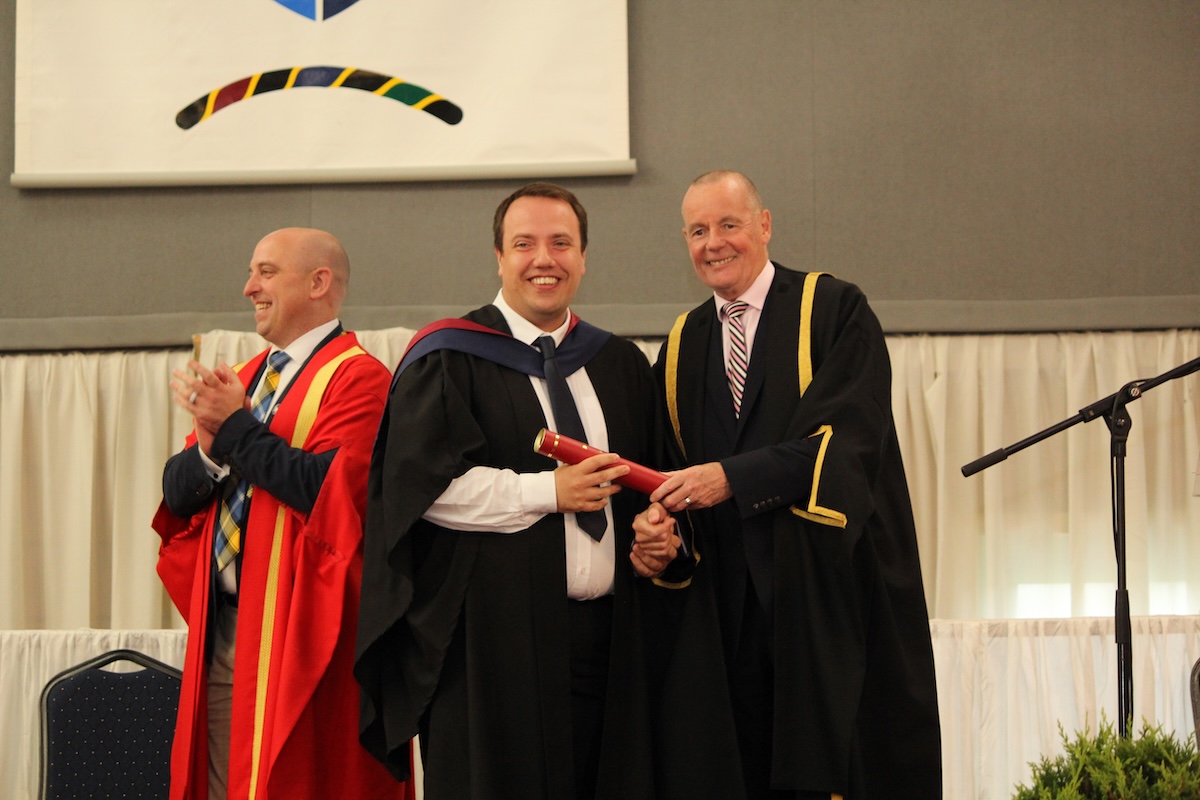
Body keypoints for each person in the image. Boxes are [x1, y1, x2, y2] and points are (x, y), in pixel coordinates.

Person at [354, 183, 686, 799]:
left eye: (561, 243)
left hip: (608, 642)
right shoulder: (448, 356)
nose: (544, 259)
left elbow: (650, 489)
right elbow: (416, 490)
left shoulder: (619, 365)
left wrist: (655, 536)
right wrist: (546, 492)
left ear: (584, 257)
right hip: (488, 648)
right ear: (499, 258)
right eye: (524, 244)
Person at [636, 171, 942, 798]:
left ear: (765, 224)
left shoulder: (832, 310)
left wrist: (731, 479)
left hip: (823, 599)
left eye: (729, 224)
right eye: (697, 231)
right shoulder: (682, 344)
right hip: (725, 617)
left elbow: (850, 444)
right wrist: (663, 534)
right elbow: (673, 474)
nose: (713, 243)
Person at [152, 228, 410, 800]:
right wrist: (207, 447)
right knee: (223, 785)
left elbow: (326, 491)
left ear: (319, 283)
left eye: (266, 272)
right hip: (227, 627)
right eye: (252, 272)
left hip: (305, 634)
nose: (249, 288)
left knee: (296, 783)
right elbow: (175, 493)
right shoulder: (243, 379)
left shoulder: (358, 378)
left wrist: (236, 429)